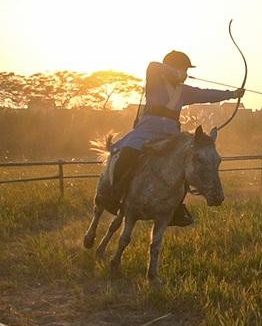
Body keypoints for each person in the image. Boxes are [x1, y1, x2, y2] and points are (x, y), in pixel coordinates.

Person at [101, 50, 244, 226]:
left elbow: (206, 94)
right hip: (147, 129)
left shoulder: (184, 91)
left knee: (183, 166)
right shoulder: (155, 81)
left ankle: (176, 208)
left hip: (171, 134)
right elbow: (153, 65)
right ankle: (113, 194)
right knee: (128, 151)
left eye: (186, 70)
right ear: (172, 68)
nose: (186, 74)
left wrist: (232, 94)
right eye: (184, 69)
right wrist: (175, 72)